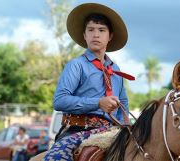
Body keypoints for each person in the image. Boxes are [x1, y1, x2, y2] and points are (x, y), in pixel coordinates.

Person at [44, 3, 134, 161]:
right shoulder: (76, 65)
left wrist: (126, 127)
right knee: (55, 157)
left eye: (101, 30)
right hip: (77, 130)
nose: (96, 35)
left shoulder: (116, 69)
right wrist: (98, 103)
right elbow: (60, 101)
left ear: (110, 36)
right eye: (90, 30)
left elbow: (123, 104)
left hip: (112, 132)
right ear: (84, 35)